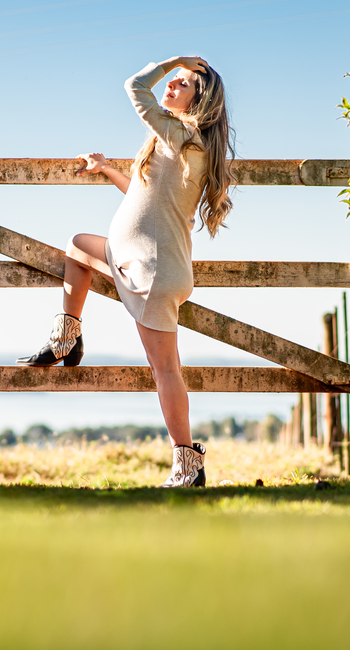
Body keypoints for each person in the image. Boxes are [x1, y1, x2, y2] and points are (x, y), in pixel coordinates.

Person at [17, 55, 235, 487]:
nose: (171, 85)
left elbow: (135, 87)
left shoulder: (185, 138)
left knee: (166, 371)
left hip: (151, 273)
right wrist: (108, 169)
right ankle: (66, 339)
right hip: (135, 262)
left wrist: (171, 60)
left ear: (200, 100)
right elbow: (144, 195)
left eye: (182, 83)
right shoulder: (177, 144)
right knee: (79, 247)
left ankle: (188, 465)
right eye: (172, 79)